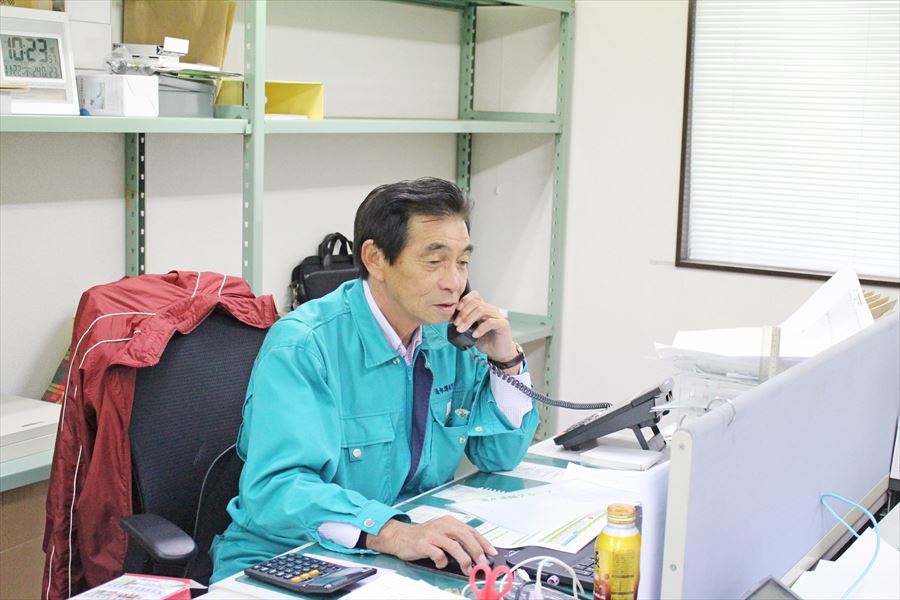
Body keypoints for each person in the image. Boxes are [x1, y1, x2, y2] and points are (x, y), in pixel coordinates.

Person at [210, 177, 539, 582]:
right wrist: (391, 532)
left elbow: (499, 456)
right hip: (287, 557)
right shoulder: (304, 346)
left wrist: (506, 361)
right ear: (375, 258)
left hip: (398, 556)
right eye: (434, 262)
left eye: (462, 263)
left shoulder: (448, 338)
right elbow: (276, 491)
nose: (453, 282)